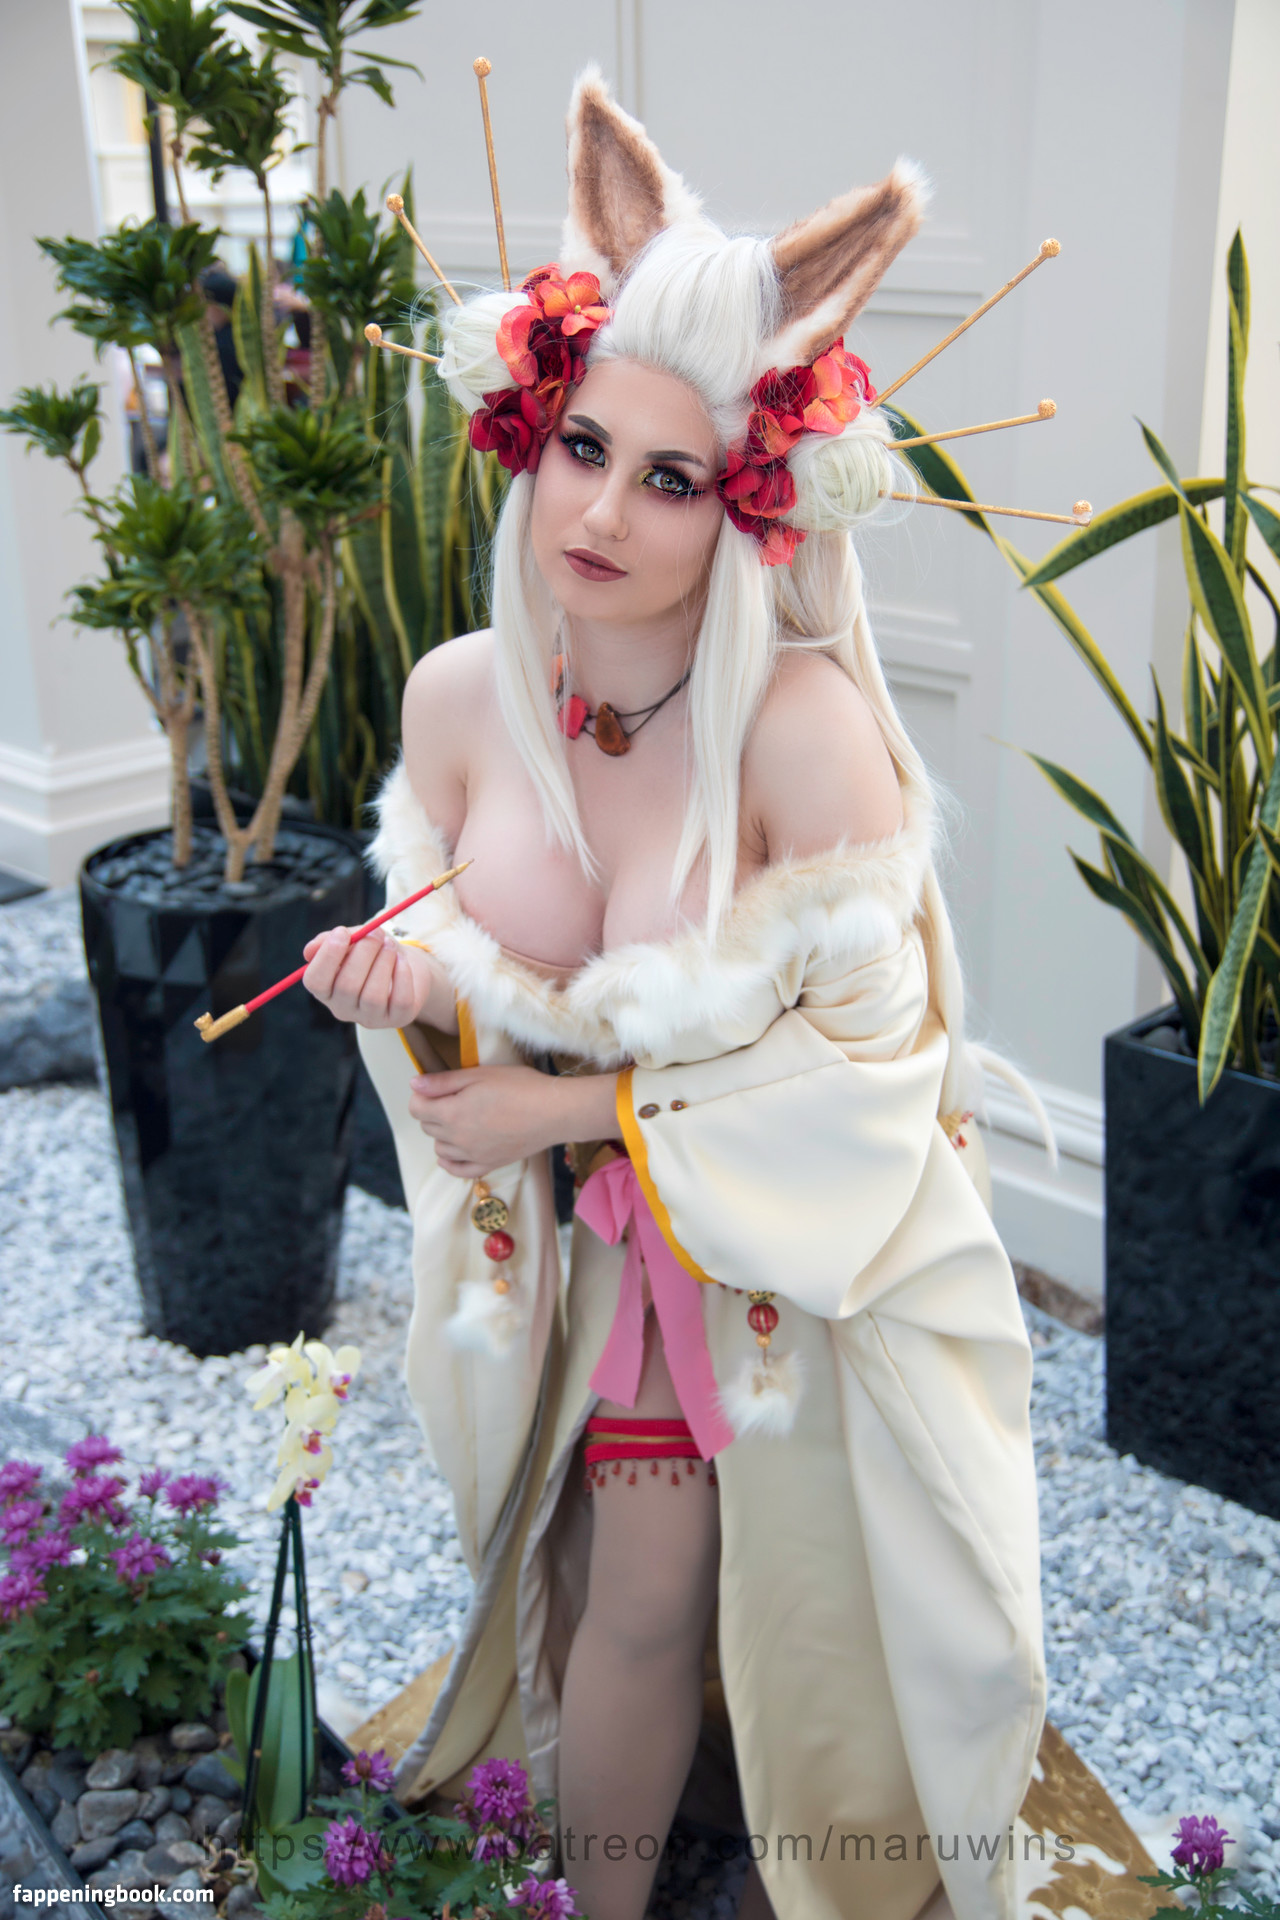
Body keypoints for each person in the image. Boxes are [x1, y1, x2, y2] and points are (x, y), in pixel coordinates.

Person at [302, 69, 1045, 1920]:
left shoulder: (806, 734)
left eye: (673, 478)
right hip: (551, 1243)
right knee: (565, 1571)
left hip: (776, 1265)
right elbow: (468, 989)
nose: (606, 513)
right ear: (530, 428)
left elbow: (877, 1074)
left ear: (755, 507)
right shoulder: (462, 697)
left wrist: (581, 1109)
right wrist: (400, 987)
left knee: (655, 1592)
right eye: (583, 447)